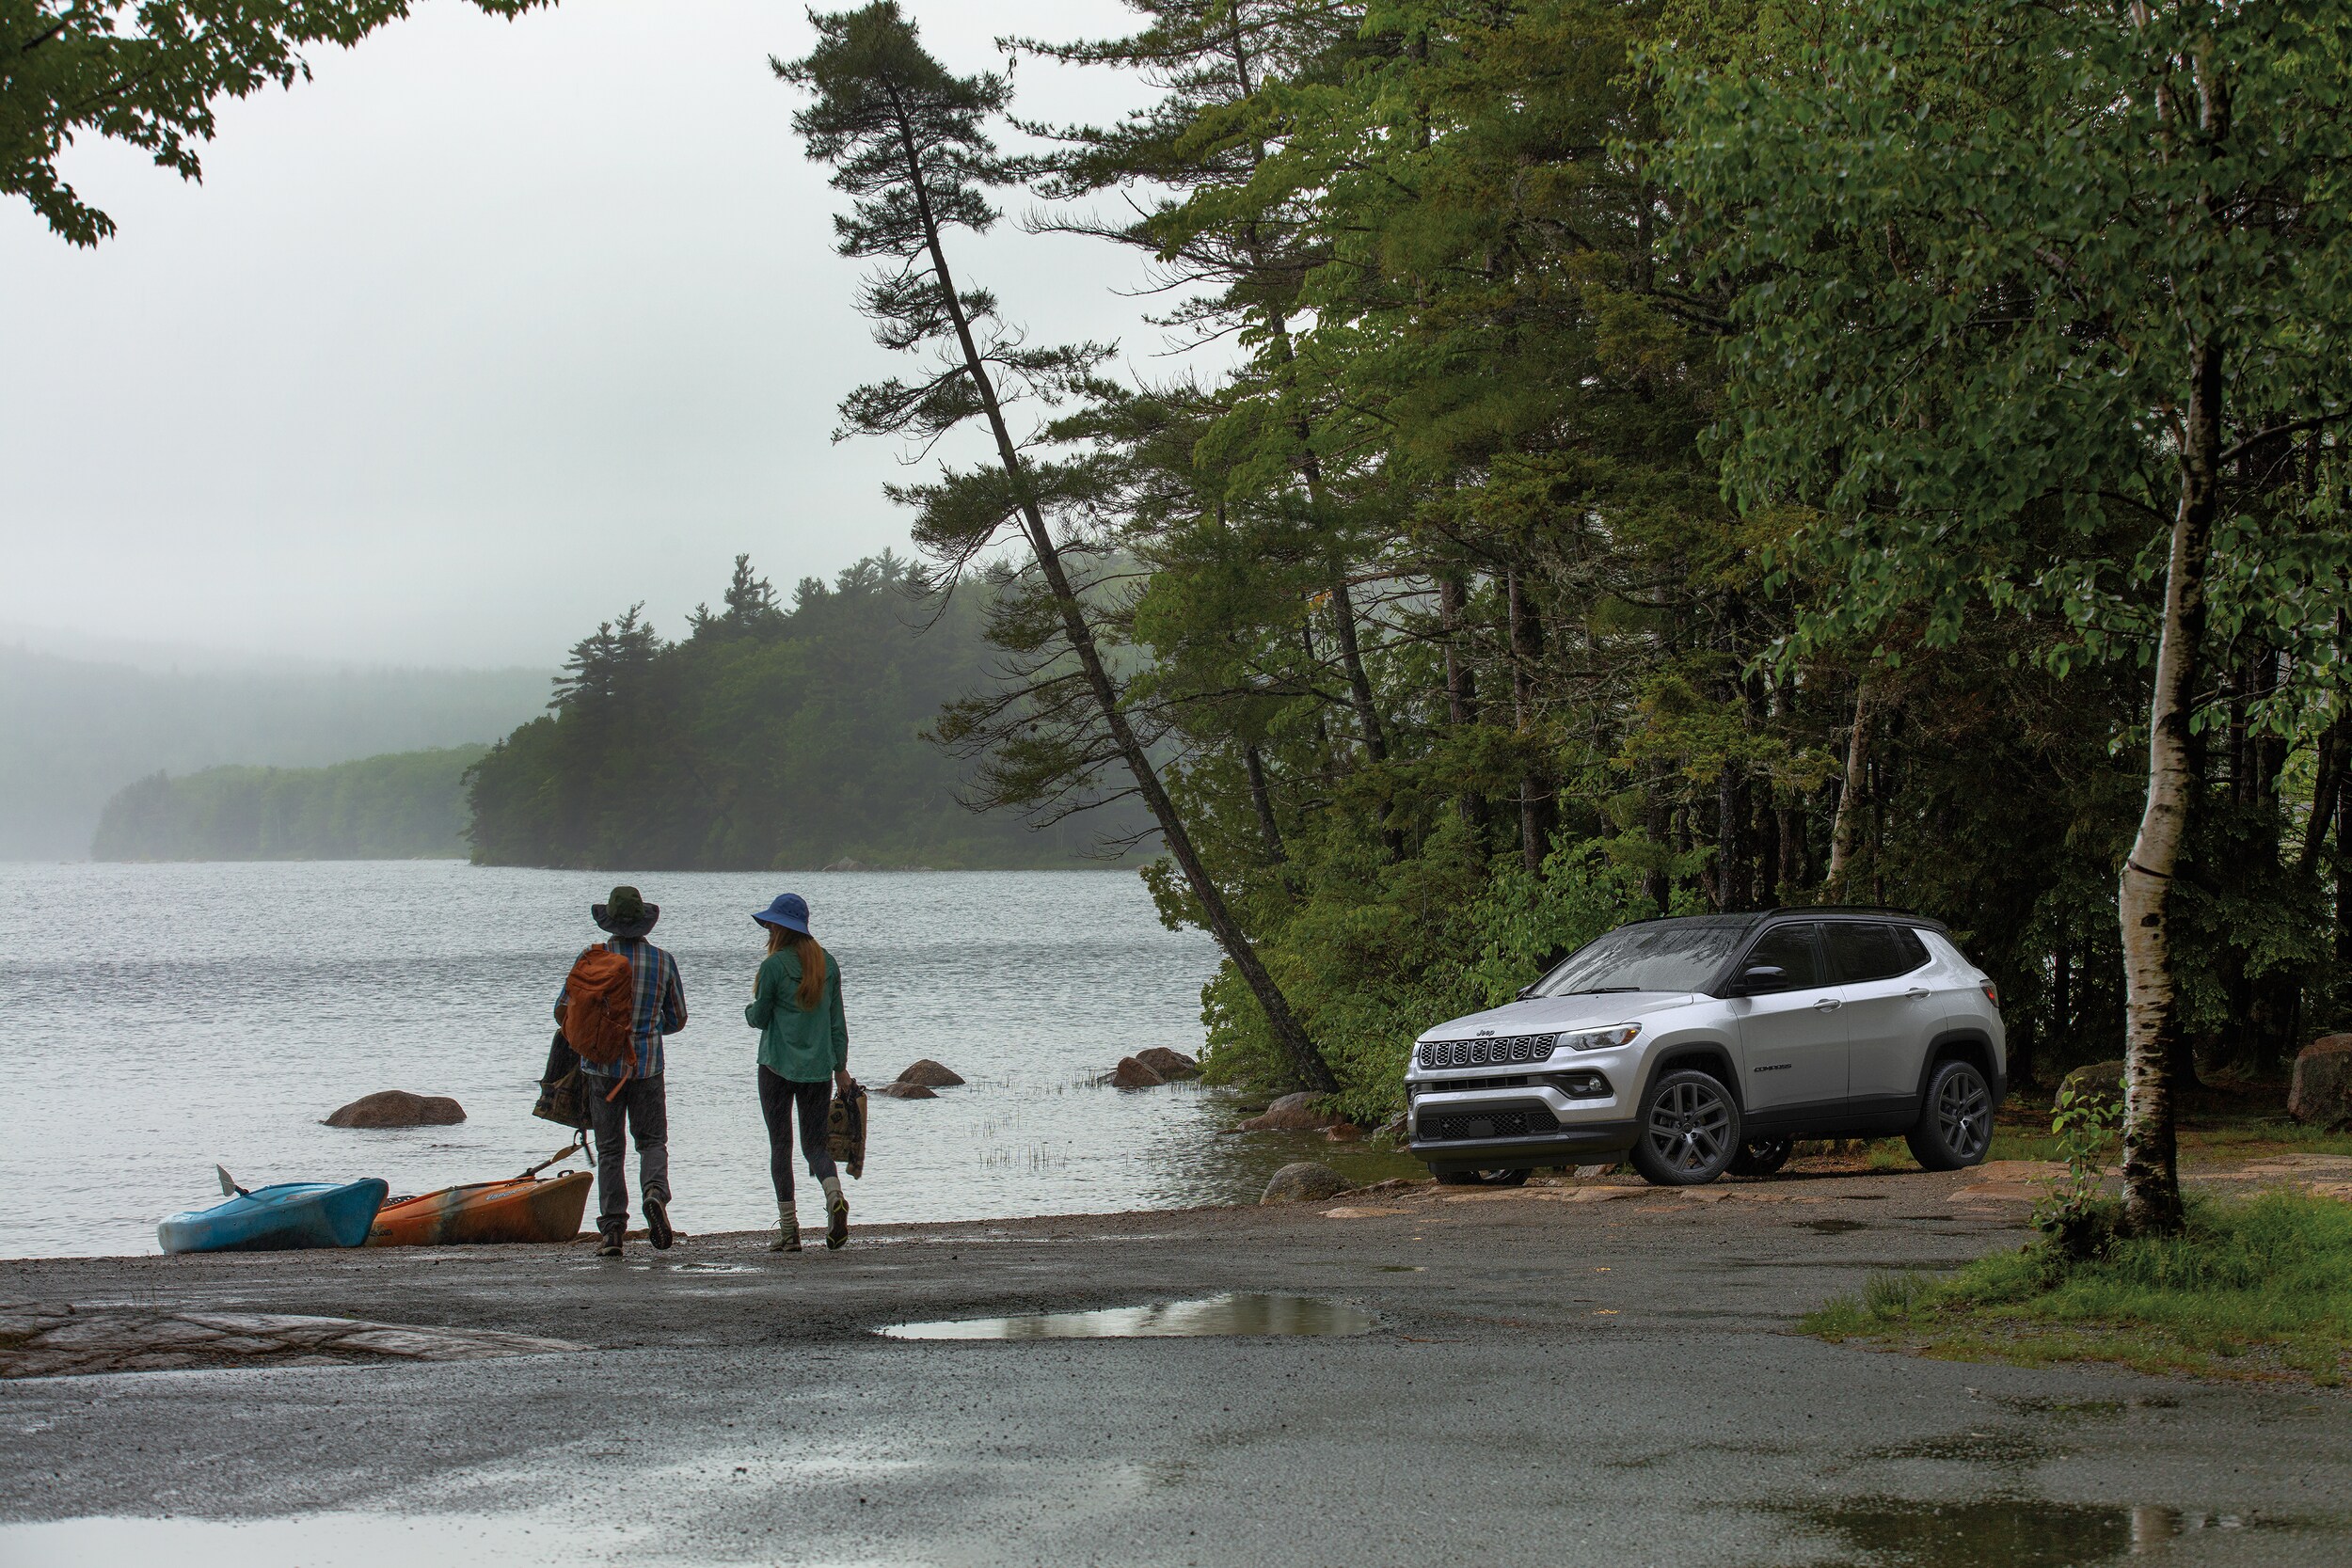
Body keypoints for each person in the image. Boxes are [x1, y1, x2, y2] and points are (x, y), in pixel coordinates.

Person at [556, 885, 688, 1257]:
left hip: (601, 1069)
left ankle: (612, 1232)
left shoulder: (590, 960)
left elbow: (561, 1011)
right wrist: (648, 1029)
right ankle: (654, 1193)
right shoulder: (663, 961)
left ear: (609, 922)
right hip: (647, 1067)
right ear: (644, 922)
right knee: (652, 1142)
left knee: (610, 1150)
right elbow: (678, 1019)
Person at [746, 893, 851, 1251]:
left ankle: (790, 1232)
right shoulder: (827, 964)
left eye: (771, 925)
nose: (769, 930)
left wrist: (749, 1012)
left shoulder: (773, 967)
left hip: (775, 1067)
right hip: (818, 1071)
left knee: (781, 1145)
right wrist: (841, 1069)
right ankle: (834, 1195)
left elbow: (760, 1017)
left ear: (779, 928)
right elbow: (837, 1024)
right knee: (815, 1146)